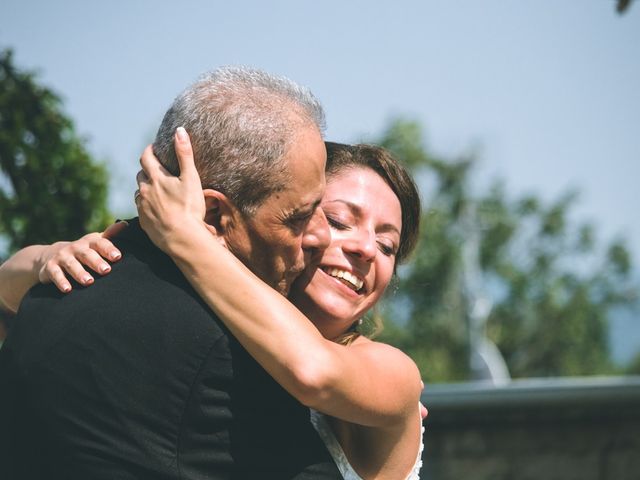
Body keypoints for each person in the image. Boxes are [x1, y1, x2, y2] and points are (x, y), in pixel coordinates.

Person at [1, 138, 426, 479]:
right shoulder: (203, 327)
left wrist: (186, 235)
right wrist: (47, 257)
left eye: (388, 246)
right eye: (337, 220)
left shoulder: (392, 372)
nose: (367, 248)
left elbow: (313, 372)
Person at [0, 66, 343, 479]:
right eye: (299, 216)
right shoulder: (235, 354)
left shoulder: (46, 296)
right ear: (213, 214)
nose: (322, 236)